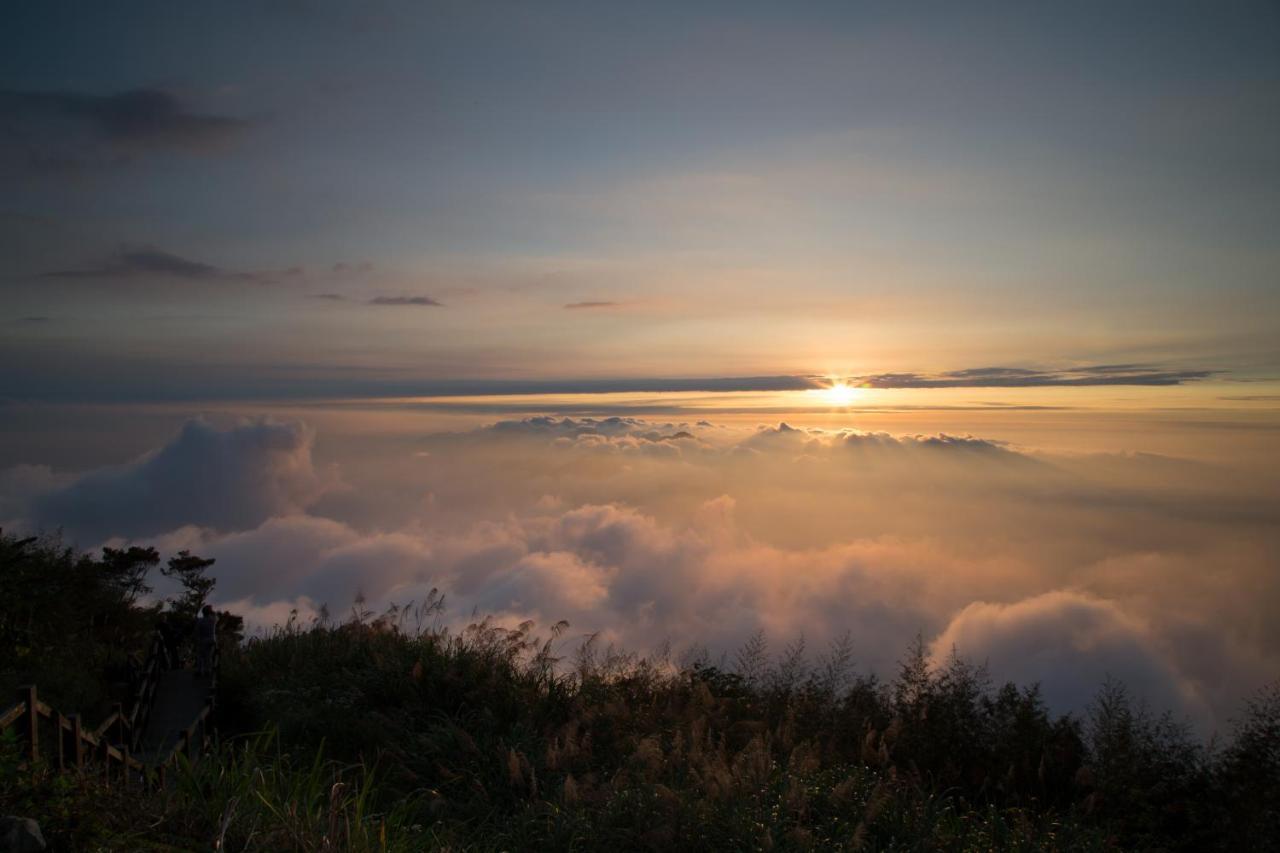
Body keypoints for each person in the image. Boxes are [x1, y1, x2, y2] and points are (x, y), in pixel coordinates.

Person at [195, 605, 218, 676]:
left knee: (200, 656)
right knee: (209, 656)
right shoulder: (213, 620)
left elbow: (197, 631)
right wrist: (212, 612)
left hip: (203, 640)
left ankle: (199, 670)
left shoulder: (200, 621)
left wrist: (198, 640)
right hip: (211, 639)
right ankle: (208, 671)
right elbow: (216, 616)